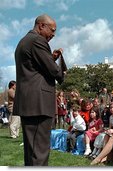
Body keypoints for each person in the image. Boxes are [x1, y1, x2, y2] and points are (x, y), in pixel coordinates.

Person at [13, 14, 66, 166]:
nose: (53, 35)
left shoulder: (24, 41)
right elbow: (54, 72)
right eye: (52, 30)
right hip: (39, 105)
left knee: (32, 152)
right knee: (40, 153)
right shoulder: (37, 41)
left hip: (29, 103)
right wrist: (62, 72)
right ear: (41, 26)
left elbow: (35, 68)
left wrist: (50, 57)